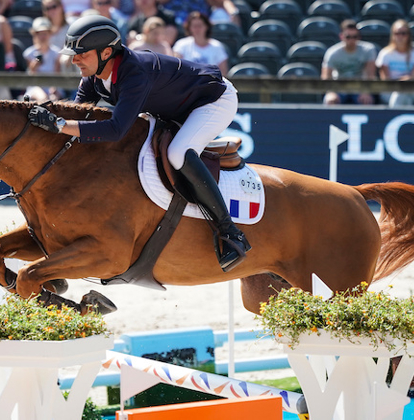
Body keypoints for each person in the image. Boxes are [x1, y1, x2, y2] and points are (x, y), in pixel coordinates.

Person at [28, 15, 251, 272]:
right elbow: (79, 111)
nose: (74, 59)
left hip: (213, 101)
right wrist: (43, 116)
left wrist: (59, 125)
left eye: (81, 54)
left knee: (178, 153)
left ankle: (230, 232)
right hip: (175, 107)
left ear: (107, 52)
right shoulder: (94, 73)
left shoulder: (134, 74)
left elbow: (115, 129)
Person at [321, 19, 377, 105]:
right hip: (339, 89)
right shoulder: (332, 53)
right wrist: (331, 92)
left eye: (355, 37)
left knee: (367, 100)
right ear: (341, 36)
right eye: (348, 37)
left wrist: (366, 92)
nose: (351, 40)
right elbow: (326, 77)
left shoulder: (368, 50)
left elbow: (370, 75)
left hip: (360, 88)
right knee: (330, 100)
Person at [375, 19, 414, 107]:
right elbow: (386, 80)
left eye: (403, 33)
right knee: (403, 95)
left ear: (409, 35)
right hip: (389, 91)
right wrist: (402, 81)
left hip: (411, 90)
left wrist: (401, 83)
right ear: (392, 35)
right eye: (397, 33)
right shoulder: (385, 54)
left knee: (403, 91)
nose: (400, 36)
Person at [173, 11, 228, 76]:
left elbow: (223, 72)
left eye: (200, 26)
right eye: (194, 26)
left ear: (206, 26)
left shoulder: (217, 46)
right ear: (189, 28)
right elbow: (176, 68)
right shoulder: (181, 45)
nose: (197, 29)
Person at [23, 17, 64, 102]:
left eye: (45, 33)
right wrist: (34, 67)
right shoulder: (29, 53)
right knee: (42, 98)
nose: (42, 36)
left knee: (54, 98)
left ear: (50, 34)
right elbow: (31, 77)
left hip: (53, 85)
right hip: (35, 86)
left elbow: (57, 74)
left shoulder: (56, 53)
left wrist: (53, 88)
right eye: (39, 33)